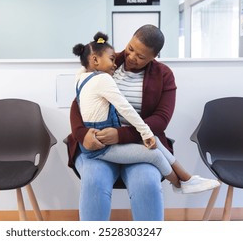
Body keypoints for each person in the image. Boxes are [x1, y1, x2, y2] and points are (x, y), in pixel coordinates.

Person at [66, 24, 211, 221]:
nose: (131, 57)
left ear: (155, 56)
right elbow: (78, 102)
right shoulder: (107, 61)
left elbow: (161, 120)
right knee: (94, 181)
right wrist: (82, 134)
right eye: (130, 48)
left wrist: (121, 135)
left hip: (137, 142)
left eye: (141, 56)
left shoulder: (164, 75)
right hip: (97, 144)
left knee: (147, 183)